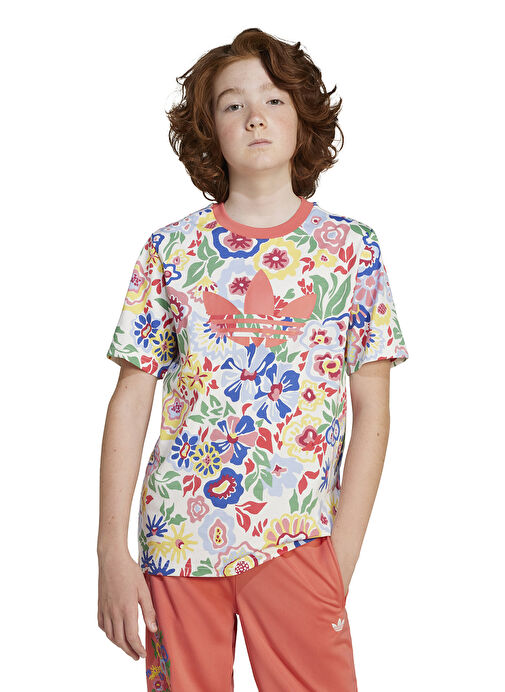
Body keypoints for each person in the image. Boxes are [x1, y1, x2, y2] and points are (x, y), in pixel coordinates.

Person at [97, 27, 409, 692]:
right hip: (178, 540)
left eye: (273, 99)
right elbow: (131, 397)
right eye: (232, 104)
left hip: (299, 540)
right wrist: (109, 552)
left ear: (302, 116)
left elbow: (373, 407)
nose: (255, 117)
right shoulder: (169, 252)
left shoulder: (351, 251)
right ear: (209, 129)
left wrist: (340, 556)